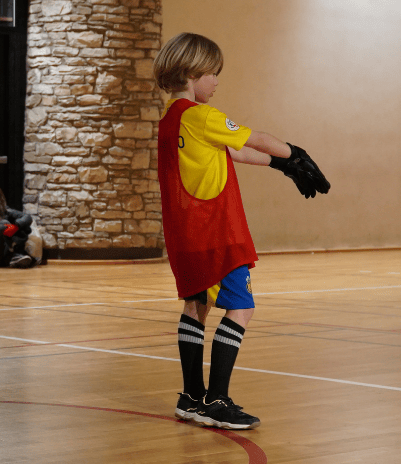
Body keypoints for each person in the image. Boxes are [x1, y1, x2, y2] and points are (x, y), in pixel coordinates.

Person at [153, 32, 330, 430]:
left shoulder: (171, 120)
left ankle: (191, 398)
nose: (216, 82)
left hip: (187, 237)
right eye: (213, 74)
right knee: (242, 308)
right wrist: (295, 153)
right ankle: (217, 400)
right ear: (193, 71)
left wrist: (279, 167)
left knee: (196, 307)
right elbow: (253, 137)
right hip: (219, 232)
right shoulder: (203, 116)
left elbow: (233, 150)